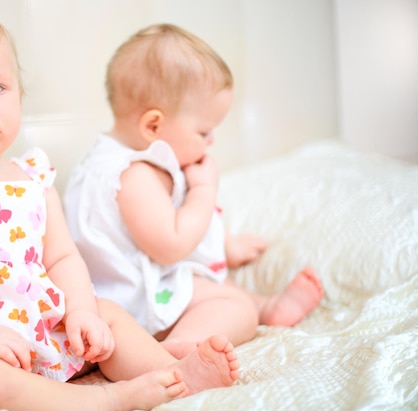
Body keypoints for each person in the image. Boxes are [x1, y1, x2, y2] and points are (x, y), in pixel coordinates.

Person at [0, 12, 241, 411]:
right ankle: (97, 400)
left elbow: (62, 257)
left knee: (109, 317)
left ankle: (174, 374)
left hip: (39, 321)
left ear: (18, 99)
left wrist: (82, 311)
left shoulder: (34, 178)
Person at [64, 23, 324, 359]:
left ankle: (268, 307)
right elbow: (171, 246)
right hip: (133, 307)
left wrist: (225, 247)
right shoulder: (134, 176)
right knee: (234, 308)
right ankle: (179, 348)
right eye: (204, 131)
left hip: (141, 289)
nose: (211, 141)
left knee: (216, 287)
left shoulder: (116, 160)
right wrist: (204, 190)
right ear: (153, 126)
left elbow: (164, 235)